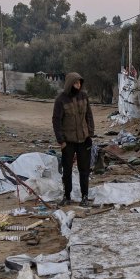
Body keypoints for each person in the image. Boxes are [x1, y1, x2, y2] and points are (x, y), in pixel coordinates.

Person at [51, 72, 94, 207]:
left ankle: (85, 197)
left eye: (80, 83)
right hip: (68, 141)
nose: (78, 85)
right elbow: (56, 121)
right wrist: (61, 141)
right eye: (76, 83)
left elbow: (89, 116)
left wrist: (90, 134)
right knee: (67, 170)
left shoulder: (84, 96)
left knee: (84, 170)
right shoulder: (61, 100)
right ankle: (67, 196)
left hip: (83, 140)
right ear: (70, 84)